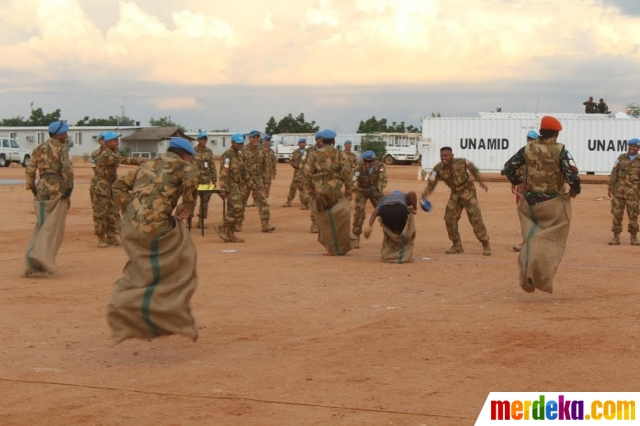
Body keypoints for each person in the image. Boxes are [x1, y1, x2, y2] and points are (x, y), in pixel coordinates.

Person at [108, 137, 199, 344]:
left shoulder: (148, 165)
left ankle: (132, 309)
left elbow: (119, 185)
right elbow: (192, 177)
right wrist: (187, 205)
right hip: (156, 227)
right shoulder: (183, 165)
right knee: (177, 265)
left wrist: (129, 211)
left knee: (143, 268)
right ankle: (148, 316)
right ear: (185, 155)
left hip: (129, 227)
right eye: (191, 157)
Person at [503, 115, 581, 294]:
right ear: (555, 134)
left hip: (530, 201)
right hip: (552, 202)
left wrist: (518, 182)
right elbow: (573, 175)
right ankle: (541, 276)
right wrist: (575, 191)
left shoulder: (527, 149)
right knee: (553, 240)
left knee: (531, 237)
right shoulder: (561, 151)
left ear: (540, 132)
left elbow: (508, 167)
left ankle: (526, 272)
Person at [22, 120, 74, 277]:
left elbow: (30, 171)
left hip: (42, 188)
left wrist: (33, 189)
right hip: (57, 189)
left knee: (42, 224)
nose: (66, 135)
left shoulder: (38, 148)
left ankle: (33, 261)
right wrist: (68, 188)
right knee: (53, 227)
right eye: (65, 133)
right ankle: (43, 258)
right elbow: (67, 169)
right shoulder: (63, 148)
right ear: (58, 135)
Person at [421, 147, 492, 256]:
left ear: (452, 156)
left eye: (446, 156)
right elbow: (431, 183)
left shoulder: (462, 162)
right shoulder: (438, 169)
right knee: (449, 218)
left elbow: (474, 169)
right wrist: (426, 193)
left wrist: (481, 181)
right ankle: (457, 245)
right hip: (455, 195)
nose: (444, 158)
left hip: (468, 192)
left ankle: (485, 244)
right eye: (442, 156)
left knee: (475, 218)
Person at [303, 129, 353, 255]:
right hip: (335, 190)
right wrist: (348, 188)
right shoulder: (341, 154)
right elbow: (346, 172)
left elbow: (307, 172)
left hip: (319, 190)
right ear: (334, 141)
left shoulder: (313, 155)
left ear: (322, 141)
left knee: (324, 220)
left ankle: (330, 248)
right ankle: (341, 247)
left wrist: (309, 188)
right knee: (337, 218)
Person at [93, 131, 146, 248]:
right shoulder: (107, 155)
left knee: (113, 213)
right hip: (100, 188)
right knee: (101, 214)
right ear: (107, 143)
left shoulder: (113, 153)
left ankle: (112, 238)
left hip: (111, 186)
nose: (117, 143)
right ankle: (101, 239)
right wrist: (139, 161)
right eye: (115, 141)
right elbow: (123, 160)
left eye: (117, 140)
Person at [363, 190, 418, 263]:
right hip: (400, 209)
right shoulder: (403, 196)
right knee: (404, 225)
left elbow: (375, 213)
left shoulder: (385, 198)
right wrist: (414, 208)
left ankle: (390, 252)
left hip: (385, 210)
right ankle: (402, 254)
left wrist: (370, 227)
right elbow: (412, 193)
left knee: (391, 230)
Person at [238, 130, 275, 233]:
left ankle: (265, 224)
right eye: (254, 137)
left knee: (263, 201)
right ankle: (237, 224)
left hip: (258, 179)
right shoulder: (243, 150)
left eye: (257, 137)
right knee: (241, 202)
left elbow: (265, 167)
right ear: (250, 138)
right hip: (245, 180)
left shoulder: (262, 150)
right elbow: (240, 167)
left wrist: (266, 182)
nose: (256, 139)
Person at [607, 138, 640, 245]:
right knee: (617, 215)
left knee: (633, 216)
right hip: (619, 192)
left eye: (634, 146)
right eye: (630, 146)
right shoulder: (621, 158)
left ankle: (634, 238)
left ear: (638, 148)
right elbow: (614, 172)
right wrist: (610, 187)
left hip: (633, 194)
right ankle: (616, 238)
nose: (631, 148)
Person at [352, 150, 387, 249]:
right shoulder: (359, 167)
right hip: (362, 191)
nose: (367, 163)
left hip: (375, 191)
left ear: (374, 160)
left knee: (384, 212)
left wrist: (377, 189)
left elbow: (383, 179)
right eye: (365, 161)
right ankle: (355, 238)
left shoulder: (380, 166)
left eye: (370, 161)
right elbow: (353, 178)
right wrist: (356, 189)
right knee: (359, 213)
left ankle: (389, 236)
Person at [215, 133, 247, 242]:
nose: (240, 145)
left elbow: (242, 171)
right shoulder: (227, 156)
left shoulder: (238, 155)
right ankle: (221, 226)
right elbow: (224, 173)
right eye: (238, 143)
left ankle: (230, 234)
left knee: (233, 209)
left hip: (237, 185)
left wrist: (250, 183)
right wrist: (223, 189)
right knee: (237, 208)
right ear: (232, 142)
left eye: (241, 143)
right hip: (230, 185)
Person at [511, 130, 538, 252]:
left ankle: (532, 243)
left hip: (535, 189)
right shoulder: (523, 152)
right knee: (523, 215)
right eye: (528, 139)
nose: (529, 141)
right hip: (522, 188)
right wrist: (514, 182)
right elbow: (515, 167)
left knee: (534, 216)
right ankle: (526, 242)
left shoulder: (540, 154)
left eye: (532, 139)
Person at [192, 131, 217, 229]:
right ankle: (189, 219)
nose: (203, 140)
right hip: (194, 180)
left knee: (205, 202)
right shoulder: (192, 151)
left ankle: (201, 220)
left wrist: (214, 180)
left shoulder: (209, 151)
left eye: (205, 139)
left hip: (206, 180)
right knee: (192, 201)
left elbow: (212, 166)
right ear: (197, 140)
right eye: (201, 139)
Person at [299, 133, 324, 232]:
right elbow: (302, 166)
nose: (320, 141)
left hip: (325, 181)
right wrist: (300, 180)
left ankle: (323, 224)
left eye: (322, 139)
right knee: (315, 202)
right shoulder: (308, 151)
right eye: (318, 139)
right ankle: (314, 225)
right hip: (312, 180)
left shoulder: (328, 150)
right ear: (316, 140)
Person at [283, 137, 309, 209]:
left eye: (303, 143)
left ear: (305, 144)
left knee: (304, 188)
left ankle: (304, 203)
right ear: (298, 144)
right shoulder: (295, 152)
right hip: (297, 173)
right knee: (293, 187)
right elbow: (291, 160)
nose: (302, 144)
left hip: (305, 173)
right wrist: (294, 164)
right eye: (301, 143)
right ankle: (289, 202)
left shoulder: (308, 152)